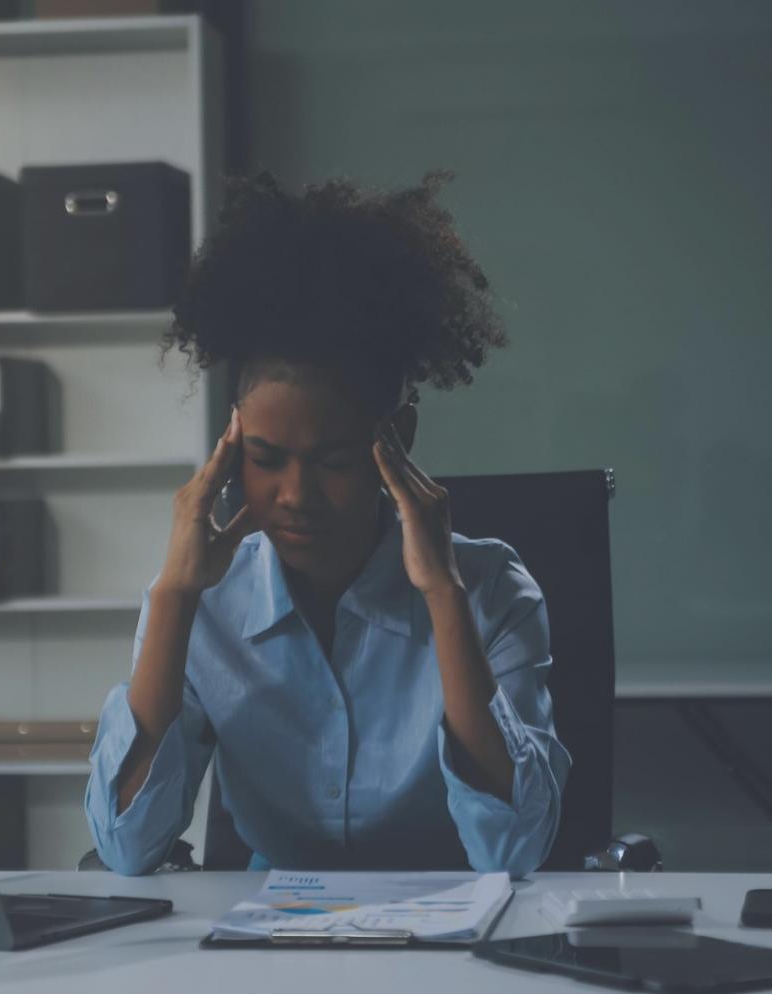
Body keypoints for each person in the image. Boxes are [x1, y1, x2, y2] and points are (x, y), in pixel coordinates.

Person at [84, 171, 570, 876]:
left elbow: (514, 850)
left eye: (333, 460)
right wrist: (174, 597)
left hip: (450, 924)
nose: (296, 495)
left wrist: (443, 597)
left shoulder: (493, 589)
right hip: (267, 931)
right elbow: (125, 849)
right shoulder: (203, 606)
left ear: (396, 439)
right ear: (231, 447)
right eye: (265, 458)